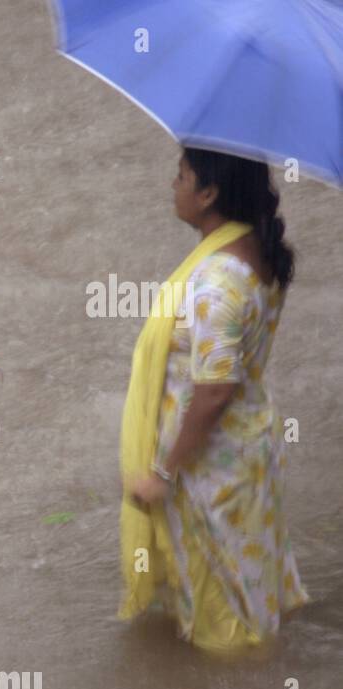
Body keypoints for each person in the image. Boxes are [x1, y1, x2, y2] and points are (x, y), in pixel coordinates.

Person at [119, 147, 307, 652]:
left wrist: (163, 473)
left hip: (212, 468)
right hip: (249, 445)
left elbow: (214, 390)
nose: (173, 184)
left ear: (209, 193)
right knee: (250, 590)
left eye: (181, 175)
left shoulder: (216, 282)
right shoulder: (257, 251)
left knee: (225, 622)